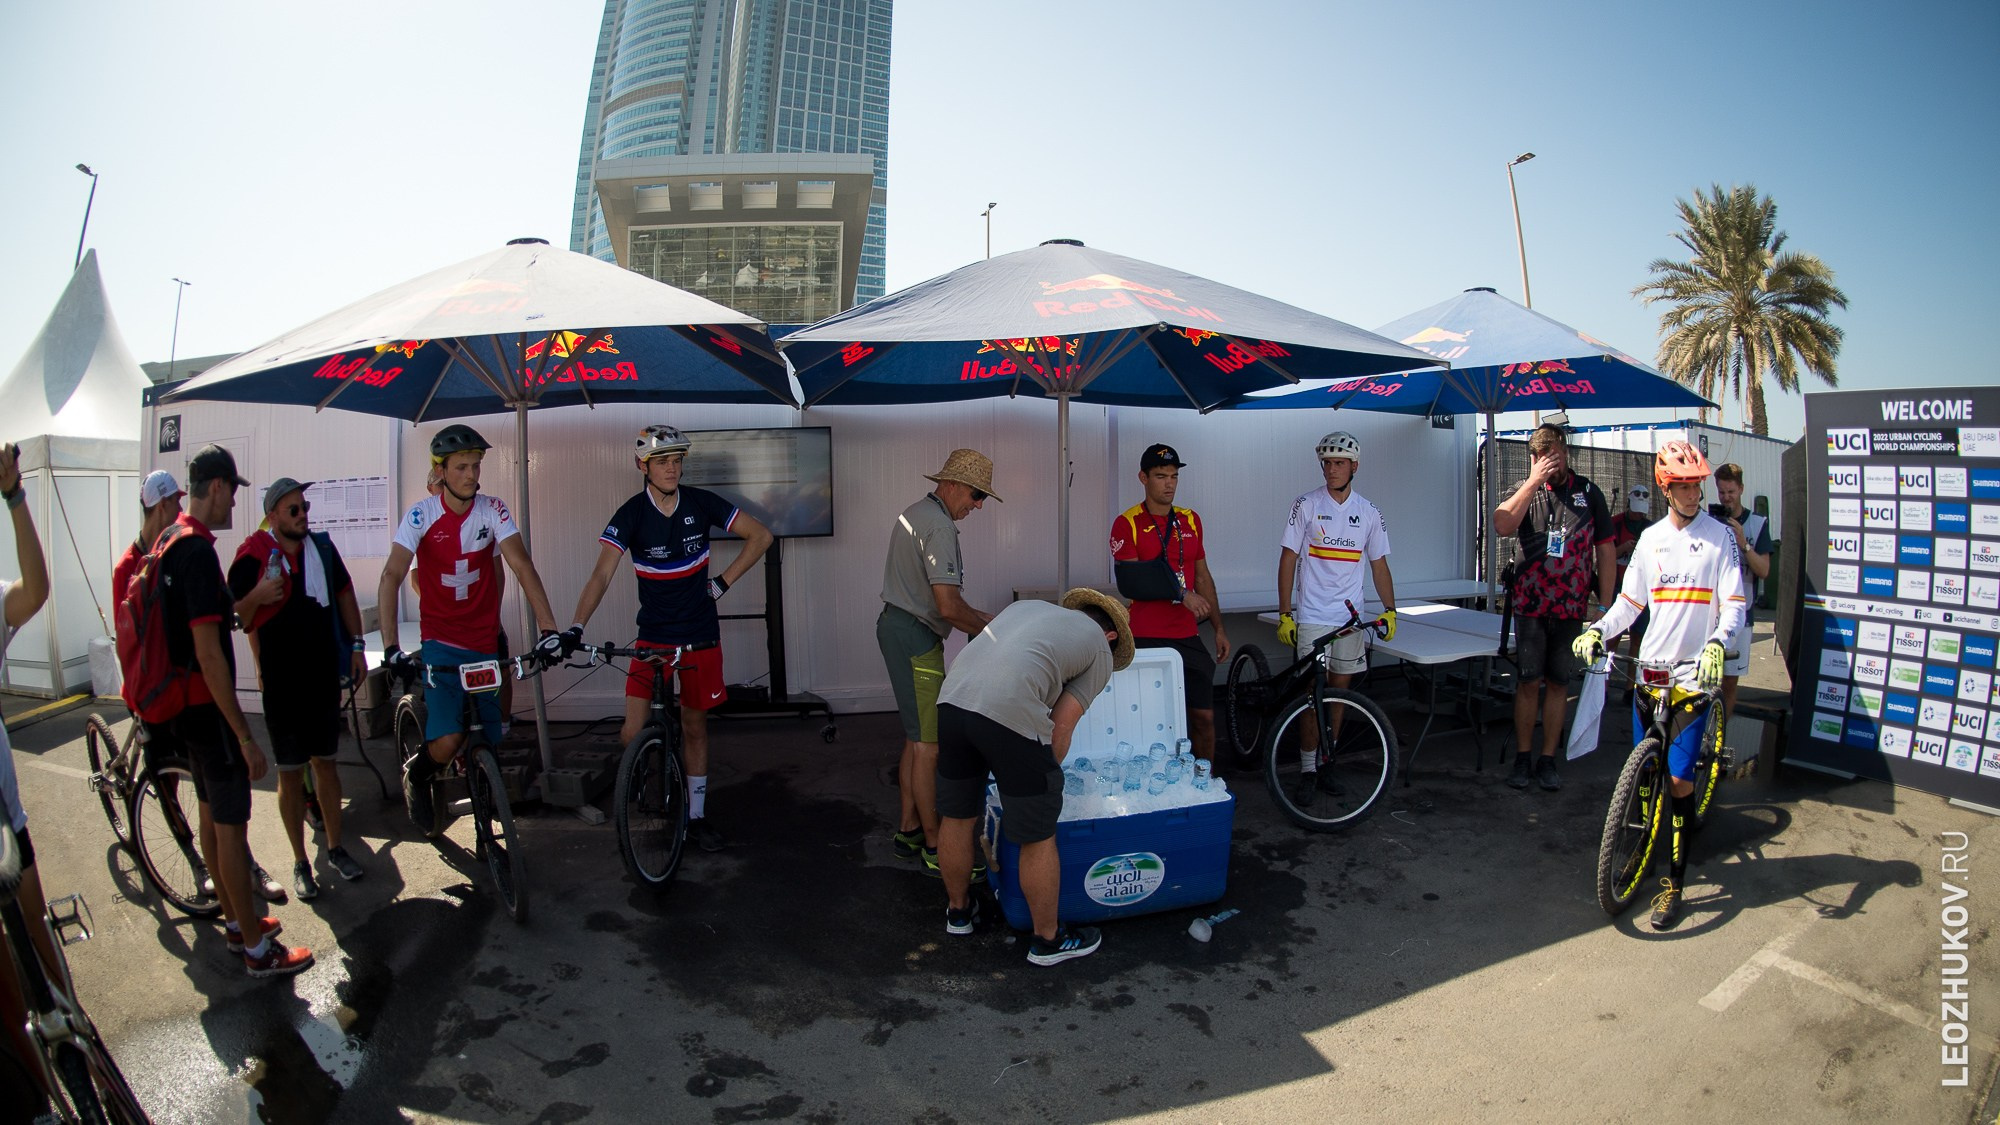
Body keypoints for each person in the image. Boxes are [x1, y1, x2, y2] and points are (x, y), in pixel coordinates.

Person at [559, 425, 773, 853]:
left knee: (695, 728)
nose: (672, 469)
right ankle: (650, 765)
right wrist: (576, 627)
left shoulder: (700, 502)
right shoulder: (632, 513)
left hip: (699, 636)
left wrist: (720, 585)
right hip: (653, 637)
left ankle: (695, 817)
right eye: (662, 461)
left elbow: (761, 536)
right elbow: (602, 573)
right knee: (631, 731)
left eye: (677, 461)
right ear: (643, 466)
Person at [1572, 440, 1747, 930]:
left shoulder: (1720, 538)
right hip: (1650, 672)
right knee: (1646, 777)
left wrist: (1718, 641)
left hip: (1694, 675)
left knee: (1678, 780)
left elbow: (1734, 602)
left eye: (1698, 485)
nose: (1695, 493)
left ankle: (1675, 883)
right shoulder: (1649, 540)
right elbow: (1630, 604)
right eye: (1685, 486)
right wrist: (1597, 630)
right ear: (1667, 489)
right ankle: (1641, 851)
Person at [162, 445, 313, 977]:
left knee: (209, 813)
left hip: (183, 706)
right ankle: (255, 950)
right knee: (230, 828)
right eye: (235, 490)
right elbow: (208, 650)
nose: (235, 504)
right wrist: (243, 734)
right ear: (220, 487)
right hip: (208, 709)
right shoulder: (199, 552)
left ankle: (234, 920)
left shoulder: (168, 540)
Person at [933, 589, 1134, 965]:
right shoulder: (1100, 649)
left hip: (952, 702)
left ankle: (958, 913)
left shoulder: (1026, 609)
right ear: (1112, 635)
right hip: (1008, 710)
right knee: (1037, 834)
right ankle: (1047, 939)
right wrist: (1043, 784)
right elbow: (1060, 727)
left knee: (957, 816)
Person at [379, 425, 563, 832]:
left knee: (489, 737)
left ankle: (485, 804)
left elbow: (521, 565)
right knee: (446, 741)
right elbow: (392, 574)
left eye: (476, 466)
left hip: (482, 642)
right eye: (461, 467)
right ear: (440, 471)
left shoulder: (492, 509)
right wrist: (392, 647)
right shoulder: (420, 515)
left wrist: (549, 629)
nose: (471, 475)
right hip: (442, 643)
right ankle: (419, 775)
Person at [228, 478, 368, 899]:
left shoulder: (321, 549)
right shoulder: (252, 555)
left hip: (321, 676)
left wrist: (357, 645)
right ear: (273, 515)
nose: (303, 514)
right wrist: (259, 593)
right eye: (293, 509)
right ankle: (299, 862)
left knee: (326, 764)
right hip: (282, 685)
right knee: (290, 776)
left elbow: (344, 595)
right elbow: (237, 616)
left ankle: (336, 847)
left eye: (304, 507)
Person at [877, 449, 999, 877]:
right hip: (915, 637)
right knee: (930, 747)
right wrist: (994, 632)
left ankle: (910, 828)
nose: (978, 504)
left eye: (983, 497)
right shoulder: (939, 526)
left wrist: (985, 619)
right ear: (950, 484)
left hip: (897, 626)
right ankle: (935, 844)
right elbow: (947, 606)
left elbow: (947, 604)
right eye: (976, 494)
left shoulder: (918, 512)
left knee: (915, 739)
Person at [1274, 432, 1397, 805]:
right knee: (1314, 696)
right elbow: (1288, 560)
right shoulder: (1306, 505)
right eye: (1326, 463)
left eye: (1339, 462)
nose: (1331, 469)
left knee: (1340, 696)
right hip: (1312, 615)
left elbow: (1379, 566)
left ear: (1354, 467)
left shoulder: (1369, 511)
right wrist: (1285, 613)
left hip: (1349, 619)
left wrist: (1391, 610)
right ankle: (1308, 768)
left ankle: (1328, 761)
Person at [1491, 423, 1616, 792]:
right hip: (1531, 605)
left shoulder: (1588, 493)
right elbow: (1502, 524)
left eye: (1558, 454)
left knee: (1559, 683)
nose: (1554, 463)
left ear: (1567, 451)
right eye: (1545, 456)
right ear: (1534, 458)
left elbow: (1606, 550)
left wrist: (1604, 604)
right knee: (1528, 683)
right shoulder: (1524, 490)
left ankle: (1548, 760)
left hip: (1571, 607)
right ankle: (1523, 758)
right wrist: (1532, 482)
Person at [0, 440, 66, 1105]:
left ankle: (70, 1022)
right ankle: (40, 1097)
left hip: (4, 818)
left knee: (33, 919)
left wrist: (16, 498)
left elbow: (35, 591)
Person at [1110, 443, 1230, 766]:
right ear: (1143, 478)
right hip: (1146, 637)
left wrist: (1219, 628)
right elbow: (1132, 581)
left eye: (1174, 477)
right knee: (1151, 723)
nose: (1169, 484)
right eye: (1161, 476)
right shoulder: (1127, 522)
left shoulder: (1191, 520)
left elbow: (1204, 578)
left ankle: (1205, 784)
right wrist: (1181, 594)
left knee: (1204, 718)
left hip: (1187, 637)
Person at [1711, 463, 1771, 726]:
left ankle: (1718, 738)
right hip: (1709, 612)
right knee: (1703, 680)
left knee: (1728, 684)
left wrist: (1743, 543)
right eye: (1722, 492)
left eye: (1731, 492)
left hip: (1741, 616)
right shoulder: (1709, 521)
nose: (1726, 497)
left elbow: (1765, 570)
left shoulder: (1757, 524)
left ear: (1741, 490)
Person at [1611, 484, 1655, 692]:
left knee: (1637, 640)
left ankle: (1631, 688)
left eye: (1642, 511)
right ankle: (1602, 686)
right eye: (1635, 510)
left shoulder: (1652, 529)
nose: (1638, 515)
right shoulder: (1616, 524)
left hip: (1642, 591)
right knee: (1612, 639)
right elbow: (1603, 555)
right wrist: (1623, 548)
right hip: (1617, 588)